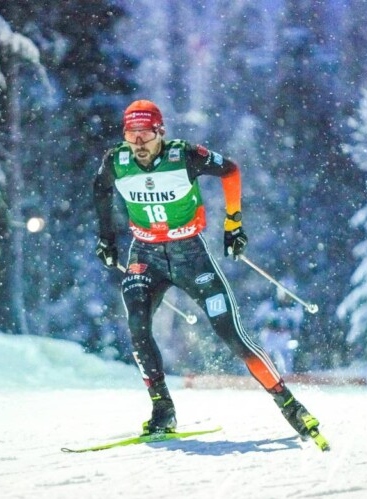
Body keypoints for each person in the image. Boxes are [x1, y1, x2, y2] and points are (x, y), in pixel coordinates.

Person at [93, 99, 322, 440]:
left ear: (160, 133)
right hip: (145, 254)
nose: (138, 142)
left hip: (190, 255)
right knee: (138, 327)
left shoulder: (183, 155)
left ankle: (291, 406)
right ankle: (162, 411)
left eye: (146, 134)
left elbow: (230, 170)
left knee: (232, 335)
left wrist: (234, 224)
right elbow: (100, 189)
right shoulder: (116, 160)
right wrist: (106, 239)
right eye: (132, 134)